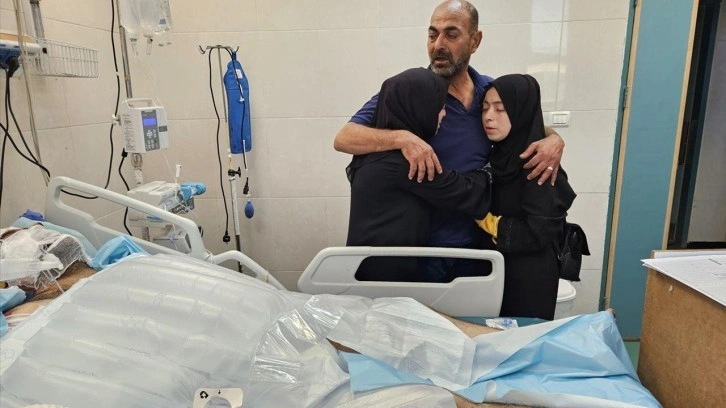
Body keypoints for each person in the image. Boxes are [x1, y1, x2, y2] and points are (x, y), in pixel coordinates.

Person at [334, 0, 565, 279]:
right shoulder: (414, 93)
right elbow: (345, 137)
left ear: (475, 41)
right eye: (432, 35)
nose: (438, 45)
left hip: (481, 243)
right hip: (424, 248)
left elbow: (524, 122)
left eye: (451, 34)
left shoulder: (489, 92)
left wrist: (554, 139)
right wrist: (403, 138)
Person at [346, 68, 493, 282]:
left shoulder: (375, 154)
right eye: (439, 107)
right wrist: (493, 169)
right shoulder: (406, 163)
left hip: (370, 271)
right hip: (386, 280)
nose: (444, 114)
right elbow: (465, 192)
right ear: (419, 109)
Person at [477, 74, 576, 320]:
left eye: (500, 109)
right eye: (485, 108)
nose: (489, 116)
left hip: (529, 276)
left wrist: (484, 220)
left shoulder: (539, 163)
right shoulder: (498, 154)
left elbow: (538, 231)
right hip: (498, 267)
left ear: (521, 113)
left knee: (523, 336)